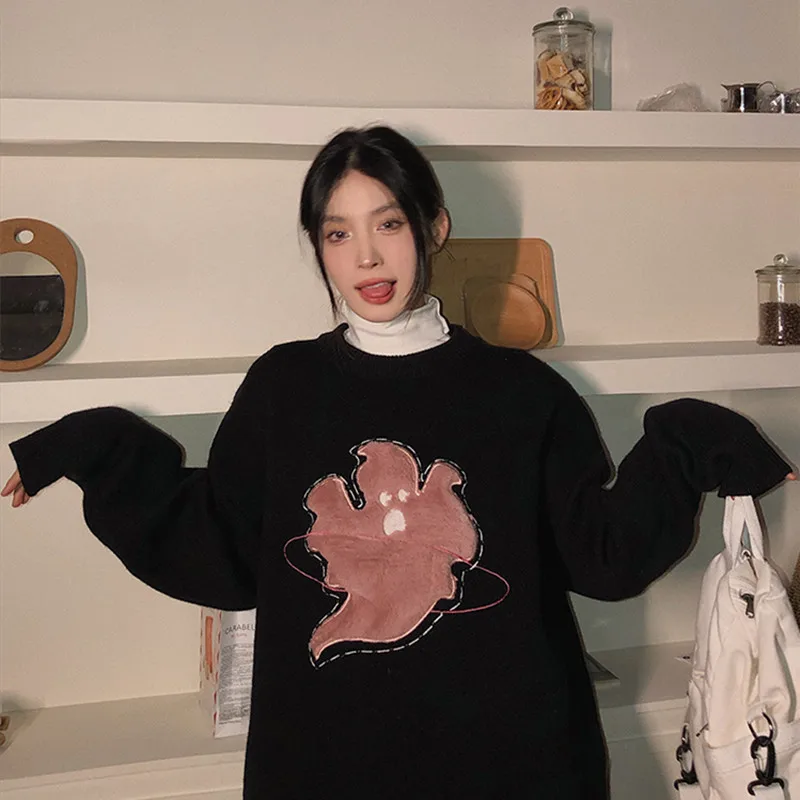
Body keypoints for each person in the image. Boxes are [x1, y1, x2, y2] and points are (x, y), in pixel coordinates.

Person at [2, 125, 795, 799]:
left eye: (387, 224)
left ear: (433, 227)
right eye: (338, 233)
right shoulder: (284, 387)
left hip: (509, 759)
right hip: (328, 760)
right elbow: (223, 546)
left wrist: (693, 441)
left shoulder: (520, 392)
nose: (366, 257)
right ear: (318, 247)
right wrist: (93, 446)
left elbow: (600, 552)